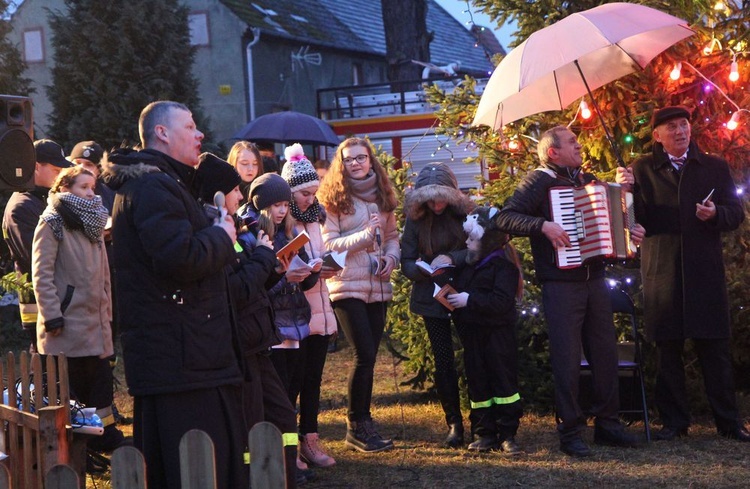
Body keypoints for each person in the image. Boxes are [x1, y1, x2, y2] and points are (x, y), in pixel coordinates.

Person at [101, 101, 246, 488]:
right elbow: (179, 258)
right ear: (162, 133)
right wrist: (221, 235)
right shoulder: (152, 186)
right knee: (194, 470)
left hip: (190, 357)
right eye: (191, 126)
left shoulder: (166, 182)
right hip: (181, 363)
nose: (200, 135)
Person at [495, 125, 641, 457]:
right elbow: (504, 218)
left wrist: (632, 228)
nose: (580, 146)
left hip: (594, 281)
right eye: (572, 142)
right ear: (552, 152)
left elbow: (615, 219)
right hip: (560, 286)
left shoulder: (586, 180)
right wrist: (542, 225)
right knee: (567, 359)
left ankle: (609, 426)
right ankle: (570, 432)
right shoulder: (539, 181)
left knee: (605, 354)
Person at [615, 105, 749, 442]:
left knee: (714, 349)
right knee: (667, 350)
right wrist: (625, 191)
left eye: (684, 125)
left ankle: (729, 423)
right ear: (657, 136)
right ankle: (674, 423)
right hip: (662, 270)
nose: (680, 131)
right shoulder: (642, 169)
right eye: (671, 127)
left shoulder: (713, 167)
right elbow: (632, 220)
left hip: (705, 271)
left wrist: (716, 212)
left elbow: (736, 214)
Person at [193, 153, 306, 486]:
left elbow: (251, 286)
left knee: (283, 415)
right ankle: (254, 479)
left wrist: (274, 272)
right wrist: (262, 257)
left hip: (257, 340)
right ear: (217, 193)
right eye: (235, 190)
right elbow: (234, 290)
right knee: (253, 422)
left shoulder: (233, 227)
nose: (241, 197)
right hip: (241, 344)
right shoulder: (215, 233)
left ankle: (285, 477)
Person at [31, 165, 127, 453]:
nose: (90, 193)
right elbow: (41, 274)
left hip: (94, 324)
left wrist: (106, 314)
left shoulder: (95, 222)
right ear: (64, 189)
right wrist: (52, 315)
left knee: (98, 388)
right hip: (67, 324)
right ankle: (77, 447)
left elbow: (104, 276)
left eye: (92, 187)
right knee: (69, 392)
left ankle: (102, 439)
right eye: (83, 187)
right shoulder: (51, 222)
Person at [317, 137, 400, 453]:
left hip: (377, 286)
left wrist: (390, 258)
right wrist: (363, 236)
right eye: (349, 159)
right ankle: (356, 426)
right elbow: (328, 245)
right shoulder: (333, 198)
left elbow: (392, 237)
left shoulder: (382, 196)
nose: (355, 163)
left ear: (370, 160)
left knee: (370, 356)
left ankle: (365, 423)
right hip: (345, 285)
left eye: (361, 158)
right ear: (341, 162)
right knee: (363, 354)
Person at [400, 162, 474, 448]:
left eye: (441, 197)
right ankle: (454, 422)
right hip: (431, 296)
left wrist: (452, 258)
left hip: (463, 291)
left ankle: (480, 418)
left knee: (473, 354)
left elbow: (479, 248)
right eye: (430, 199)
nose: (436, 204)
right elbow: (406, 260)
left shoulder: (464, 214)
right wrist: (421, 269)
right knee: (443, 361)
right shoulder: (416, 219)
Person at [447, 206, 524, 454]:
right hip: (474, 337)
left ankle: (507, 434)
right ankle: (483, 433)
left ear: (487, 240)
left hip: (498, 338)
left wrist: (470, 300)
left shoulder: (503, 268)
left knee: (504, 385)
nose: (467, 243)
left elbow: (501, 303)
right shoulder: (470, 267)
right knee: (478, 384)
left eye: (472, 238)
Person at [281, 144, 337, 468]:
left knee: (313, 380)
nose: (311, 199)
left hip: (321, 309)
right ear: (291, 193)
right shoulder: (286, 221)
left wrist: (327, 266)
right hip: (296, 315)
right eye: (305, 193)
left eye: (314, 192)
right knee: (293, 382)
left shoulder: (317, 219)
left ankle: (310, 441)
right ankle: (289, 447)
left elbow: (321, 254)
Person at [3, 139, 73, 345]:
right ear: (35, 167)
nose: (61, 176)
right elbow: (40, 258)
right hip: (41, 308)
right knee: (47, 372)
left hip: (55, 302)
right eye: (55, 169)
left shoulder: (41, 200)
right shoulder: (22, 207)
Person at [69, 140, 116, 213]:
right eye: (77, 163)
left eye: (89, 164)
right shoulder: (59, 190)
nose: (81, 167)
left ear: (98, 170)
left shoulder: (109, 196)